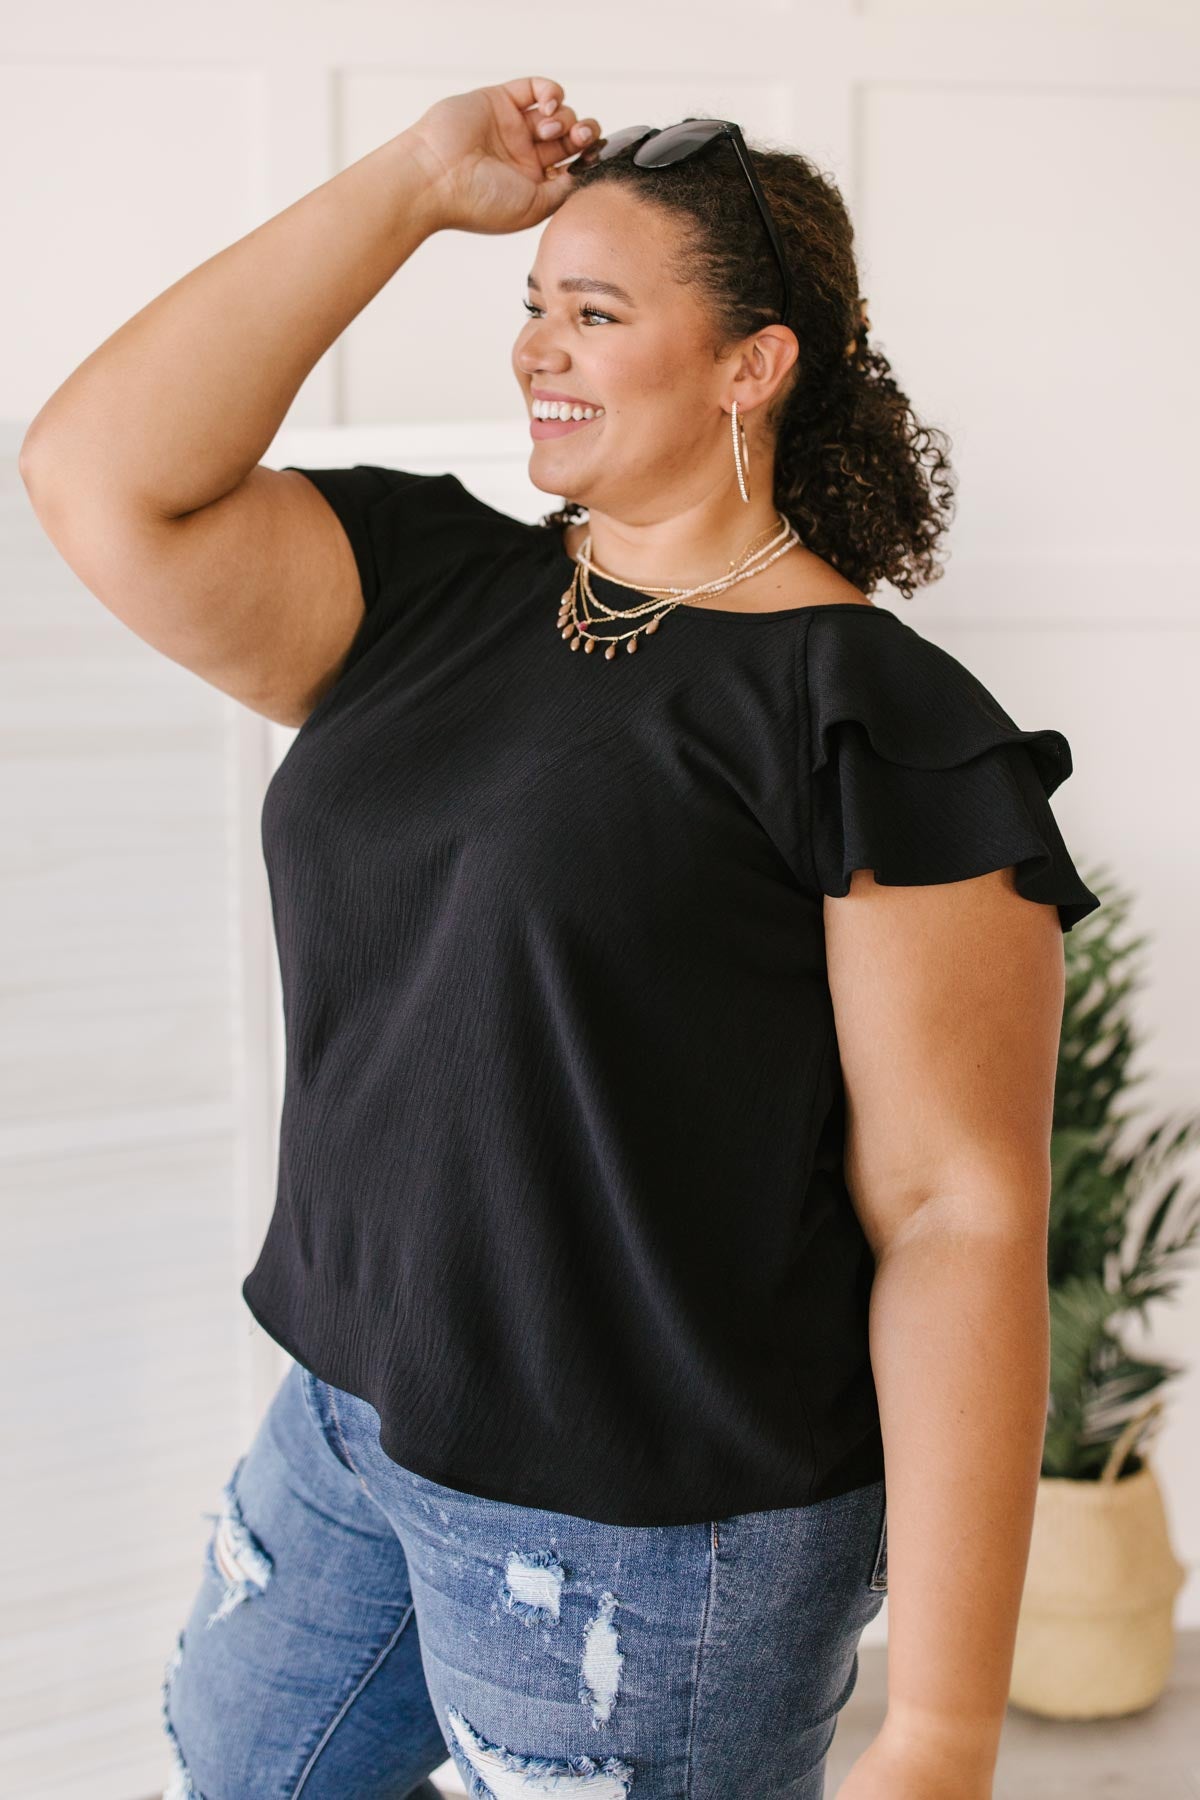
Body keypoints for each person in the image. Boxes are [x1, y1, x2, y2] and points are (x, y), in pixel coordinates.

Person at [20, 74, 1101, 1800]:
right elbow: (95, 476)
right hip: (351, 1419)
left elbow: (959, 1215)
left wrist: (947, 1727)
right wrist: (409, 186)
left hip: (651, 1534)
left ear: (753, 366)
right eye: (533, 305)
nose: (539, 348)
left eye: (595, 313)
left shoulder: (871, 720)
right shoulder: (431, 586)